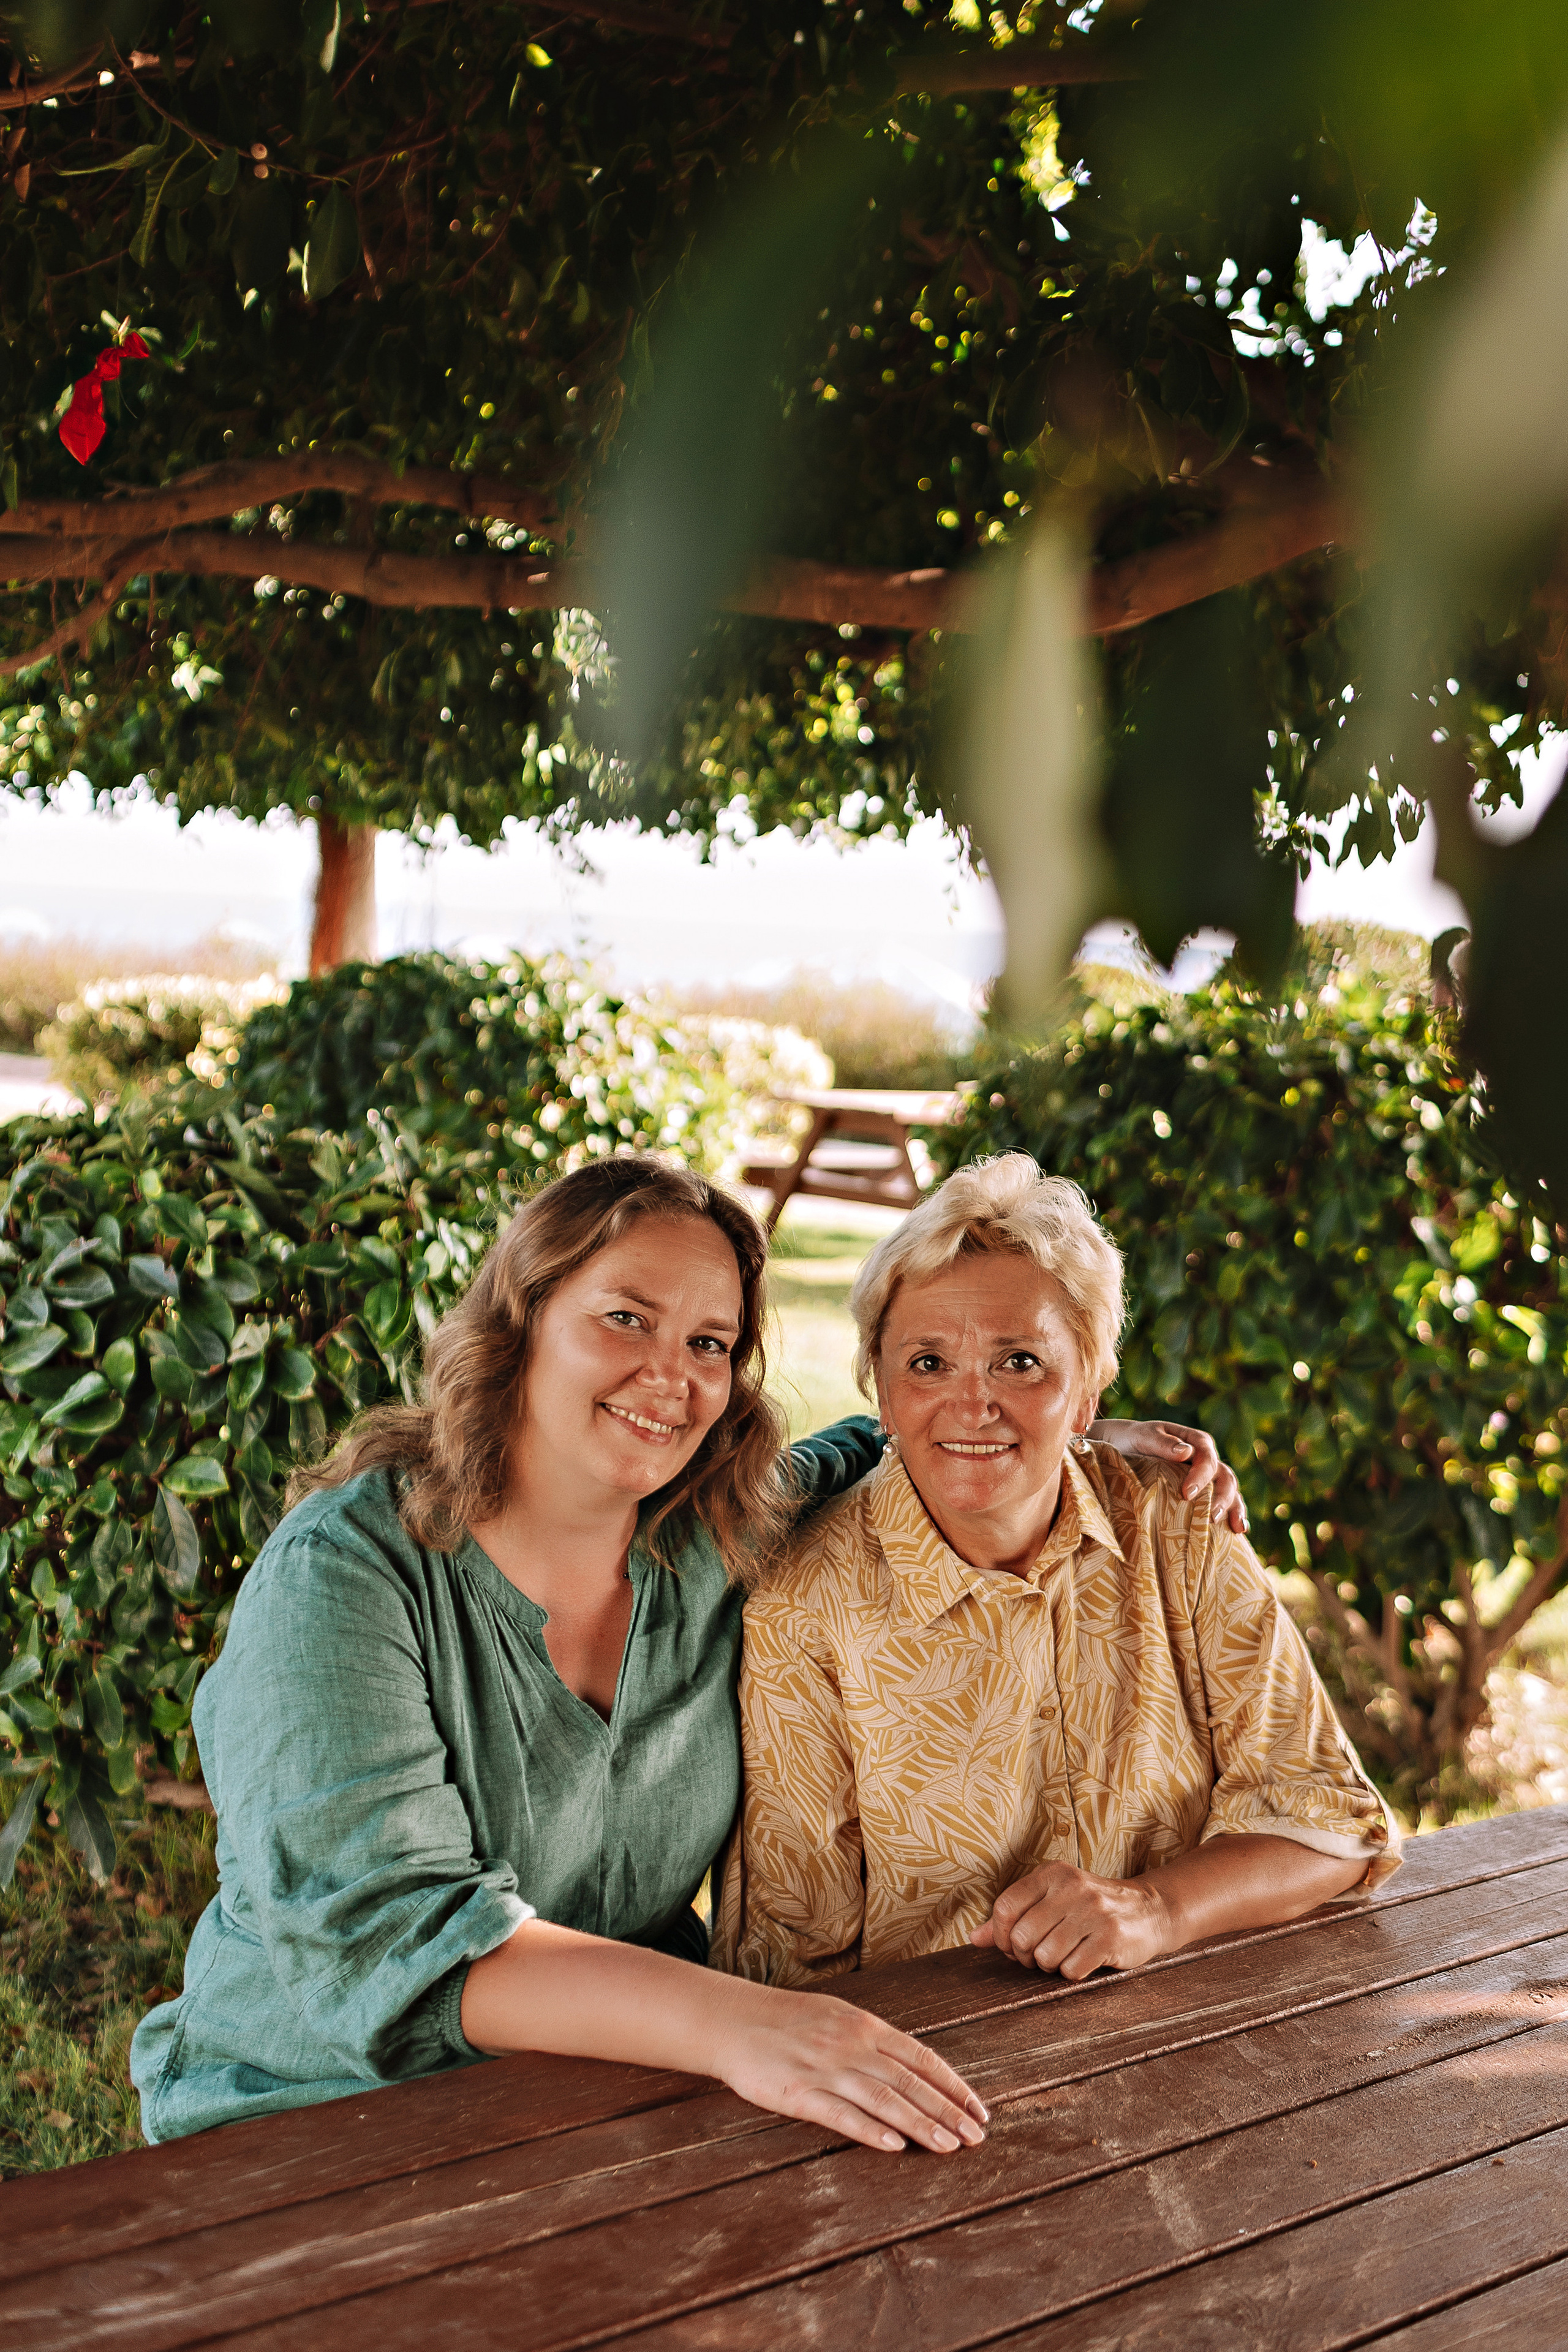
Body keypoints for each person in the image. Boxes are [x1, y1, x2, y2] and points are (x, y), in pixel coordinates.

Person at [130, 1155, 1238, 2147]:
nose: (673, 1375)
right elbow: (394, 1941)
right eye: (626, 1318)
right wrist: (747, 2025)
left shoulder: (709, 1532)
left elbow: (879, 1437)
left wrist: (1073, 1435)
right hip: (309, 2118)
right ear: (523, 1320)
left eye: (709, 1343)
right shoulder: (348, 1574)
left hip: (610, 2105)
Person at [714, 1155, 1400, 1989]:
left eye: (1021, 1362)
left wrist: (1158, 1910)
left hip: (1207, 2026)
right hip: (943, 2071)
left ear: (1088, 1393)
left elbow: (1331, 1822)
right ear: (883, 1394)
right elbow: (789, 1969)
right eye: (928, 1363)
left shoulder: (1179, 1525)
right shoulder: (805, 1606)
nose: (974, 1404)